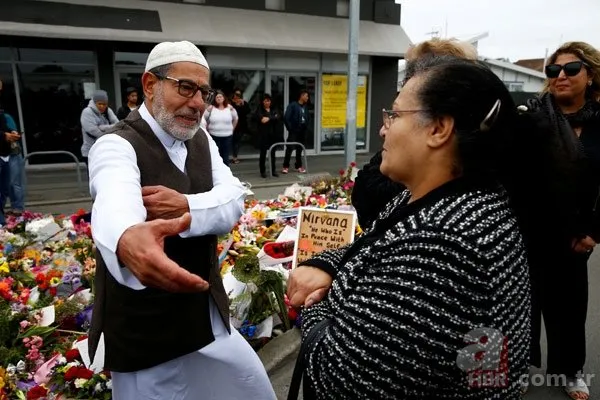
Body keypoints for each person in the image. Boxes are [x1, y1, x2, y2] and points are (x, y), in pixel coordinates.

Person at [287, 56, 574, 399]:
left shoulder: (444, 245)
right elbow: (374, 246)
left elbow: (340, 378)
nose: (383, 128)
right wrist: (326, 264)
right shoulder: (433, 199)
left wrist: (318, 307)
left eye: (393, 115)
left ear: (439, 128)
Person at [87, 40, 276, 400]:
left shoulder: (201, 138)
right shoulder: (116, 145)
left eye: (204, 91)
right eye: (185, 87)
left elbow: (234, 200)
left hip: (205, 319)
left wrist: (185, 207)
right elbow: (115, 199)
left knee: (250, 388)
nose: (197, 103)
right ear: (149, 85)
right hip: (149, 335)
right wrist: (128, 239)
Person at [521, 41, 600, 400]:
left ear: (590, 75)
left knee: (568, 308)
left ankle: (570, 371)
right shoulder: (533, 117)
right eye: (554, 70)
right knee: (524, 304)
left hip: (575, 235)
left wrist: (595, 233)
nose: (561, 76)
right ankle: (520, 367)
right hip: (529, 229)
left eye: (571, 69)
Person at [351, 38, 479, 229]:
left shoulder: (443, 225)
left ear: (439, 127)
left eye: (397, 115)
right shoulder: (412, 197)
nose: (383, 130)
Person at [80, 90, 118, 169]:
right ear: (94, 103)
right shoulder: (87, 112)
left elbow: (118, 125)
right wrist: (110, 130)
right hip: (91, 151)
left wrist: (102, 127)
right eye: (99, 104)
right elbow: (93, 131)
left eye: (104, 104)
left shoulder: (108, 111)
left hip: (106, 150)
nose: (102, 106)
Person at [203, 90, 238, 166]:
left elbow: (236, 118)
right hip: (214, 136)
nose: (219, 98)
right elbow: (204, 119)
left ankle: (225, 174)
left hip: (227, 136)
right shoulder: (210, 108)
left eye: (220, 96)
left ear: (224, 98)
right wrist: (207, 130)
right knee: (216, 156)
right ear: (215, 99)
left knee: (225, 156)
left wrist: (232, 129)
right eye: (217, 97)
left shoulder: (230, 108)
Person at [282, 90, 309, 174]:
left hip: (302, 130)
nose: (307, 98)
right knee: (290, 148)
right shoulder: (293, 105)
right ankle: (285, 166)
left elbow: (307, 117)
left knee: (299, 149)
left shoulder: (305, 106)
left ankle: (298, 166)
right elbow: (286, 117)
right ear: (301, 96)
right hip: (294, 130)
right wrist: (290, 128)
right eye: (306, 96)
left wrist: (306, 125)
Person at [3, 112, 24, 215]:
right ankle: (14, 206)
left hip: (13, 153)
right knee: (7, 183)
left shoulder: (6, 116)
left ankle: (18, 207)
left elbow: (14, 131)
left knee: (14, 182)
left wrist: (14, 133)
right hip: (4, 154)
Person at [256, 93, 281, 178]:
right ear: (263, 102)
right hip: (263, 135)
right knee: (263, 153)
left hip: (273, 134)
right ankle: (262, 171)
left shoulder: (274, 108)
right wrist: (272, 117)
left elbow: (278, 117)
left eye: (269, 101)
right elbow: (262, 120)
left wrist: (269, 118)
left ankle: (273, 170)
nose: (267, 102)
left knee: (273, 154)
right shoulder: (260, 109)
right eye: (266, 101)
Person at [231, 88, 251, 164]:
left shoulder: (244, 103)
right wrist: (236, 105)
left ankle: (235, 157)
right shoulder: (230, 103)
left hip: (241, 126)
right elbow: (233, 113)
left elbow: (247, 111)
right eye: (236, 94)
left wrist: (242, 105)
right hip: (231, 125)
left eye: (239, 95)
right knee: (230, 141)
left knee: (237, 142)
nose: (237, 96)